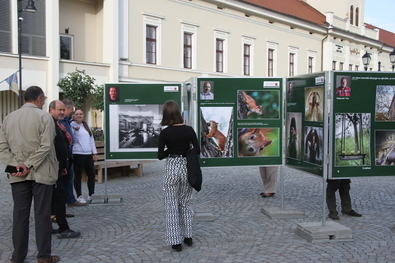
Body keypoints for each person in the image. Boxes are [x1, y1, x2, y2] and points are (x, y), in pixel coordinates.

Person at [0, 86, 60, 263]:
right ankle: (43, 256)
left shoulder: (8, 118)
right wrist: (28, 165)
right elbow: (46, 146)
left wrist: (16, 167)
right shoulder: (44, 117)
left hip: (16, 174)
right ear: (40, 99)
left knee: (19, 215)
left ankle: (17, 256)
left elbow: (2, 148)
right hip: (41, 172)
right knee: (42, 215)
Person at [157, 100, 200, 252]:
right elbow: (198, 150)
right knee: (185, 202)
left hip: (172, 166)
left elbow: (160, 155)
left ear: (166, 114)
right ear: (178, 113)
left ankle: (176, 242)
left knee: (171, 204)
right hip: (186, 167)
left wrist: (171, 150)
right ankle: (188, 236)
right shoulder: (189, 130)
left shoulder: (165, 132)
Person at [49, 100, 81, 239]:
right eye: (59, 110)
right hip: (53, 168)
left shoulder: (58, 123)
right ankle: (63, 228)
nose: (62, 112)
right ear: (51, 110)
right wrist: (61, 165)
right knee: (59, 198)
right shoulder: (50, 123)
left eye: (63, 110)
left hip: (60, 167)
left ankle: (50, 226)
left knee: (55, 198)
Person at [61, 98, 86, 207]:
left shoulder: (67, 121)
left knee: (69, 177)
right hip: (64, 154)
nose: (72, 112)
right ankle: (64, 201)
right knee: (64, 179)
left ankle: (70, 199)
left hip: (69, 154)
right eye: (71, 110)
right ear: (68, 108)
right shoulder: (60, 121)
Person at [71, 109, 98, 203]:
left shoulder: (86, 125)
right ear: (73, 115)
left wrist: (94, 153)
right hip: (78, 153)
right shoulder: (72, 125)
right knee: (78, 175)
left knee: (91, 174)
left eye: (80, 114)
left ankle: (91, 194)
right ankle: (79, 195)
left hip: (88, 153)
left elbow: (91, 140)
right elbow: (73, 140)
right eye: (77, 114)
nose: (79, 115)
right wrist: (76, 131)